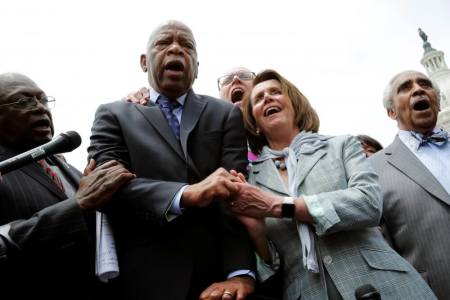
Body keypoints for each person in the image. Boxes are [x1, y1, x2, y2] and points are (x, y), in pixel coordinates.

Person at [228, 69, 436, 299]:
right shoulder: (252, 181)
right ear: (254, 122)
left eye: (276, 92)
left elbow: (369, 204)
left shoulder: (341, 146)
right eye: (258, 98)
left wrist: (281, 206)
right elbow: (270, 271)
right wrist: (257, 233)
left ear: (295, 105)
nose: (267, 98)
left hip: (387, 287)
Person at [88, 20, 256, 300]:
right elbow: (106, 189)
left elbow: (235, 198)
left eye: (187, 45)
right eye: (163, 43)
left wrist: (240, 272)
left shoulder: (225, 114)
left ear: (197, 67)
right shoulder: (113, 114)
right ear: (144, 62)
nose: (176, 48)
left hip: (214, 281)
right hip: (141, 278)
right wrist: (185, 194)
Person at [0, 73, 135, 300]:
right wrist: (77, 206)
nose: (40, 108)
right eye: (23, 101)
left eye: (43, 100)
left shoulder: (68, 169)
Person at [369, 70, 450, 299]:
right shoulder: (373, 169)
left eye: (425, 84)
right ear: (391, 111)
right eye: (405, 87)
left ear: (438, 102)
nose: (418, 89)